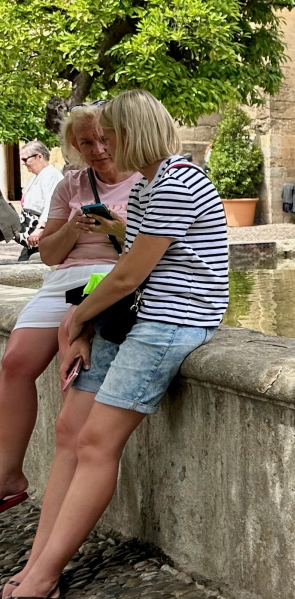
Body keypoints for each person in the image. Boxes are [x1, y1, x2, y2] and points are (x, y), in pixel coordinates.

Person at [8, 89, 227, 599]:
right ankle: (38, 560)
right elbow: (124, 278)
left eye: (111, 134)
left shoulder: (178, 182)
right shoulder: (151, 185)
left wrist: (76, 320)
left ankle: (42, 578)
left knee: (94, 441)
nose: (103, 145)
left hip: (174, 320)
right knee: (69, 429)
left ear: (135, 133)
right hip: (137, 315)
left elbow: (130, 273)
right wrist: (85, 326)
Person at [0, 107, 140, 524]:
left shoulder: (144, 178)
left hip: (111, 277)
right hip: (65, 277)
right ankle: (9, 477)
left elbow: (153, 252)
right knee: (15, 362)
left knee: (72, 353)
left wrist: (117, 228)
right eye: (86, 143)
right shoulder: (71, 184)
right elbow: (49, 255)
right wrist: (74, 229)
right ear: (72, 147)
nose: (98, 149)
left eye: (103, 139)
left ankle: (71, 478)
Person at [17, 141, 62, 261]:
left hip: (41, 233)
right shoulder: (38, 176)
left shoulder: (51, 175)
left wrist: (40, 228)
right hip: (31, 232)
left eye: (26, 159)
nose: (23, 163)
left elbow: (52, 204)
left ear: (40, 156)